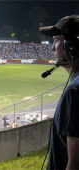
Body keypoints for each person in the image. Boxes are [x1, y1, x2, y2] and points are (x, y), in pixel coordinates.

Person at [39, 15, 79, 170]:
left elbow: (75, 164)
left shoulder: (74, 91)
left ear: (72, 46)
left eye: (56, 40)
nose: (52, 47)